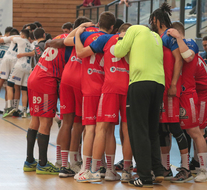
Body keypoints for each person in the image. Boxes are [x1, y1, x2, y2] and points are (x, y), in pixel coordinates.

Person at [74, 23, 132, 183]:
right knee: (126, 130)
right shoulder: (134, 41)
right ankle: (123, 171)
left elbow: (79, 52)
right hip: (129, 88)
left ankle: (93, 170)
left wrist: (79, 33)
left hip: (110, 87)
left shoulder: (107, 38)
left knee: (101, 128)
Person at [63, 12, 116, 181]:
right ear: (112, 27)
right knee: (107, 130)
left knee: (90, 128)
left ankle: (87, 169)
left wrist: (78, 31)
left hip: (90, 88)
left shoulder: (86, 35)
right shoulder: (111, 38)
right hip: (107, 87)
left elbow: (66, 41)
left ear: (98, 23)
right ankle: (107, 169)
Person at [114, 24, 165, 187]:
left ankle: (144, 177)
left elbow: (118, 51)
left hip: (140, 82)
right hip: (159, 83)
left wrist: (121, 39)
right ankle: (157, 172)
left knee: (138, 130)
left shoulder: (134, 29)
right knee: (152, 130)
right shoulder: (156, 37)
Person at [149, 4, 192, 183]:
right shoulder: (158, 37)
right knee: (161, 131)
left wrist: (174, 84)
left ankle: (186, 168)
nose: (150, 23)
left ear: (157, 20)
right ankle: (165, 168)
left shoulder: (168, 36)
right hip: (160, 89)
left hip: (170, 90)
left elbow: (179, 60)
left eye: (152, 20)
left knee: (175, 128)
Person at [167, 21, 207, 182]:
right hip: (176, 94)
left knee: (195, 132)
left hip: (188, 95)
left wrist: (178, 37)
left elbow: (188, 56)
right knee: (176, 131)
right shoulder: (172, 45)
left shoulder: (189, 42)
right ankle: (184, 168)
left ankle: (204, 169)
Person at [23, 33, 68, 175]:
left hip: (34, 76)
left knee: (35, 119)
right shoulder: (70, 43)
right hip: (45, 81)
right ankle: (42, 164)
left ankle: (29, 161)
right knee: (46, 121)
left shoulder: (58, 38)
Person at [3, 29, 34, 118]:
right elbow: (33, 53)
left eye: (20, 34)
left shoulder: (20, 39)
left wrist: (16, 36)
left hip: (19, 65)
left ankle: (9, 107)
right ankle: (24, 112)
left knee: (9, 85)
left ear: (23, 36)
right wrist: (25, 54)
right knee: (24, 90)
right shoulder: (31, 44)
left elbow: (11, 38)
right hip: (28, 68)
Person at [0, 28, 20, 116]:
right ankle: (9, 107)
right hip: (8, 62)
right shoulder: (15, 40)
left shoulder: (4, 39)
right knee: (10, 85)